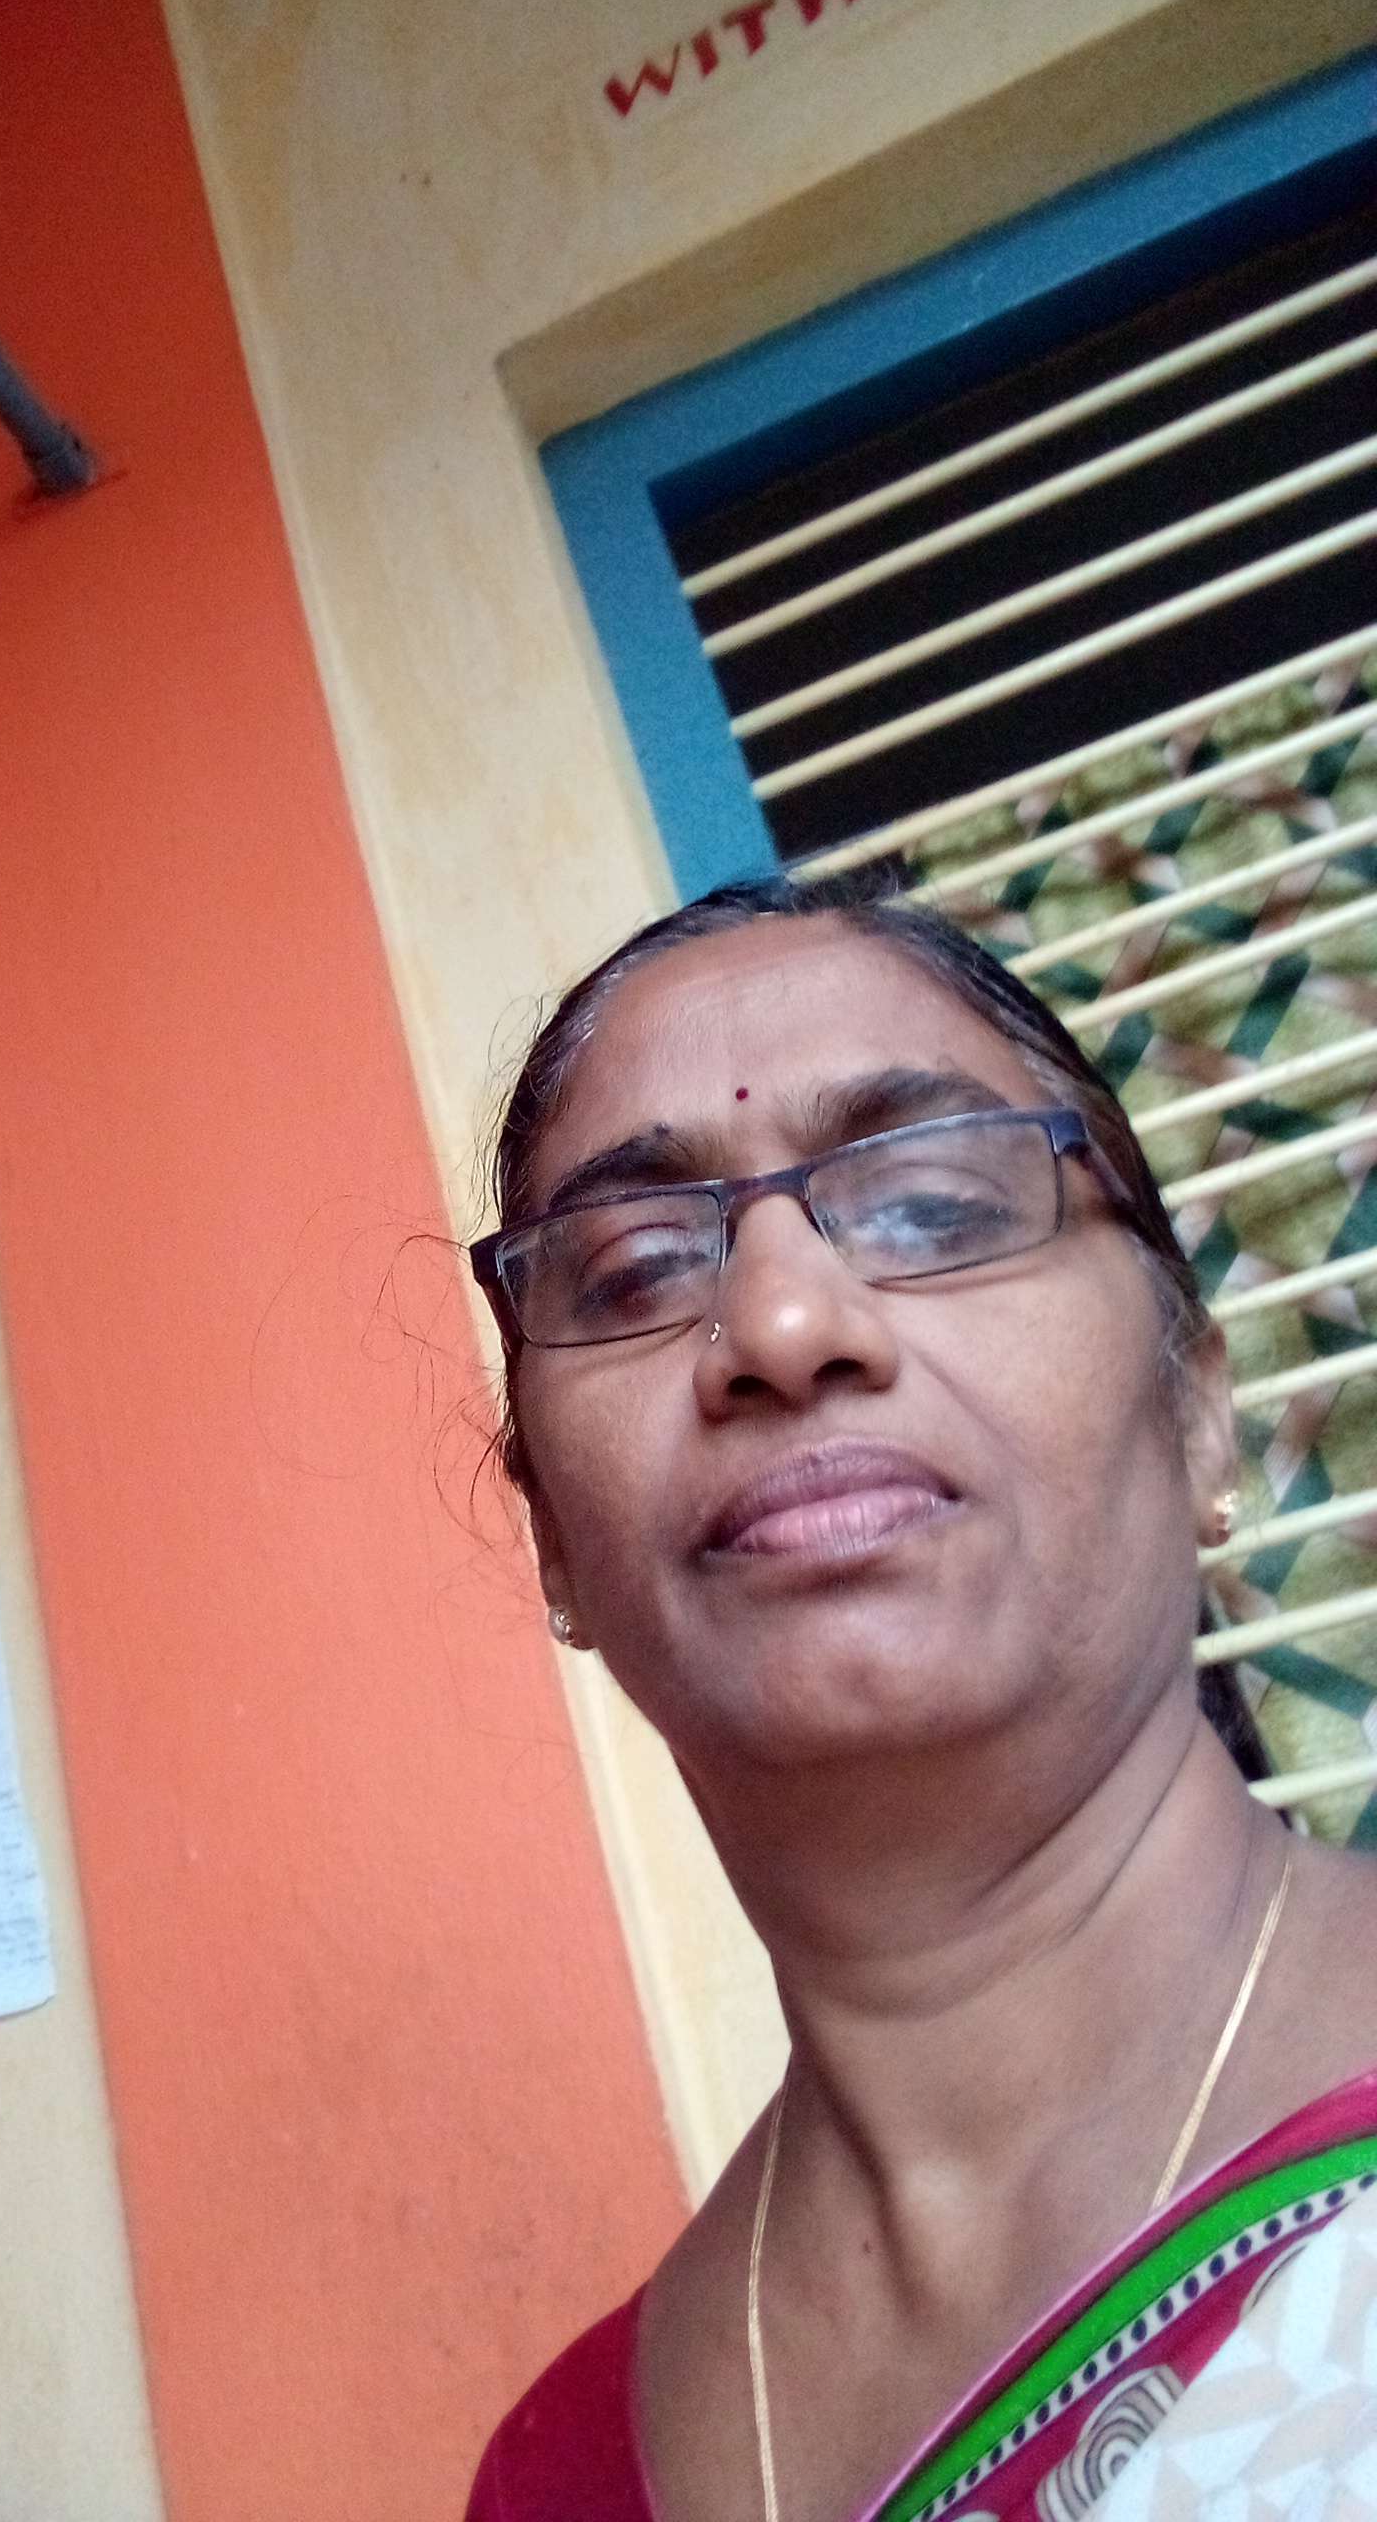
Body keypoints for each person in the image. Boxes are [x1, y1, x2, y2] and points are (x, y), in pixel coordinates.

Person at [462, 876, 1377, 2521]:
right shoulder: (558, 2482)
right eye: (637, 1268)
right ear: (557, 1551)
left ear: (1198, 1410)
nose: (780, 1322)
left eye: (935, 1206)